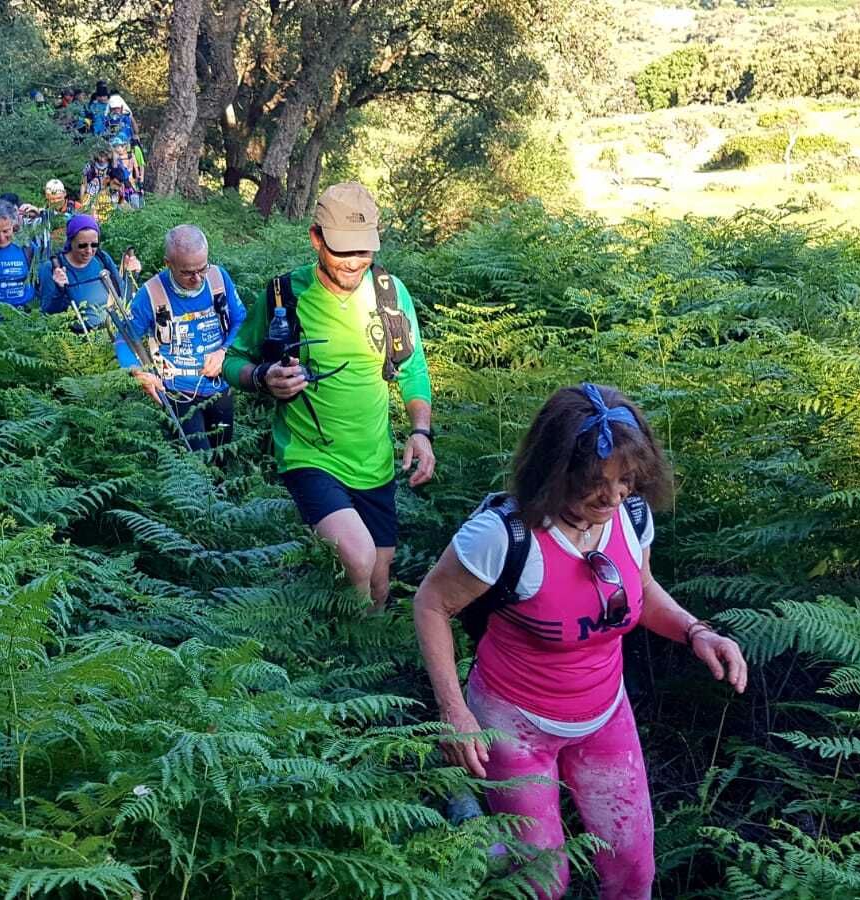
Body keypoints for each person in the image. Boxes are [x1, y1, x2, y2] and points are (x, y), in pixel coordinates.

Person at [411, 383, 749, 900]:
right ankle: (475, 827)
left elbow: (642, 589)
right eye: (596, 483)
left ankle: (484, 830)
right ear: (555, 470)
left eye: (627, 481)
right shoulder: (503, 535)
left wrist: (695, 631)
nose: (613, 497)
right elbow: (432, 604)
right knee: (545, 884)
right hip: (513, 725)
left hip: (603, 713)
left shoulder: (631, 517)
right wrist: (455, 714)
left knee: (633, 871)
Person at [222, 181, 434, 610]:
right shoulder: (285, 294)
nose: (355, 263)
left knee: (377, 583)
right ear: (316, 238)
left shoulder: (391, 295)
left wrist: (421, 431)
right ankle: (336, 661)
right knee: (358, 558)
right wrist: (264, 377)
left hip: (374, 462)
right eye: (342, 250)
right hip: (308, 454)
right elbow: (232, 362)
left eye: (364, 251)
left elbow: (413, 371)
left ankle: (363, 660)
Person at [112, 224, 246, 450]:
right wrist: (139, 372)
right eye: (186, 272)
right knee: (196, 460)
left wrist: (224, 352)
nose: (196, 278)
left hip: (220, 386)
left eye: (201, 268)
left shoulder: (218, 278)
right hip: (177, 392)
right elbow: (124, 338)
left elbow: (241, 321)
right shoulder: (151, 293)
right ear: (168, 264)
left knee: (222, 454)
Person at [37, 214, 140, 332]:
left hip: (113, 334)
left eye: (94, 245)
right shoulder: (53, 268)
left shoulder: (102, 258)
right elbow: (48, 314)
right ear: (70, 242)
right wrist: (59, 290)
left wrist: (131, 274)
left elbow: (122, 296)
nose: (89, 251)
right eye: (82, 246)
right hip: (78, 343)